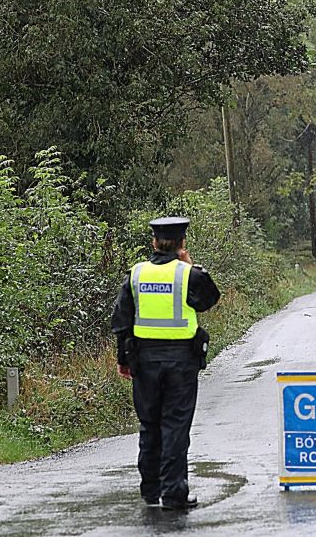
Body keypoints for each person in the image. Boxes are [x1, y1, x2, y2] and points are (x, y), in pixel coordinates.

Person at [111, 216, 220, 510]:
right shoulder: (187, 275)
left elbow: (121, 321)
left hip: (144, 364)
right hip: (181, 364)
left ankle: (150, 490)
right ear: (182, 244)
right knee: (175, 426)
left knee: (150, 425)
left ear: (153, 243)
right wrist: (190, 266)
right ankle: (173, 493)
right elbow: (210, 299)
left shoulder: (135, 274)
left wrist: (123, 359)